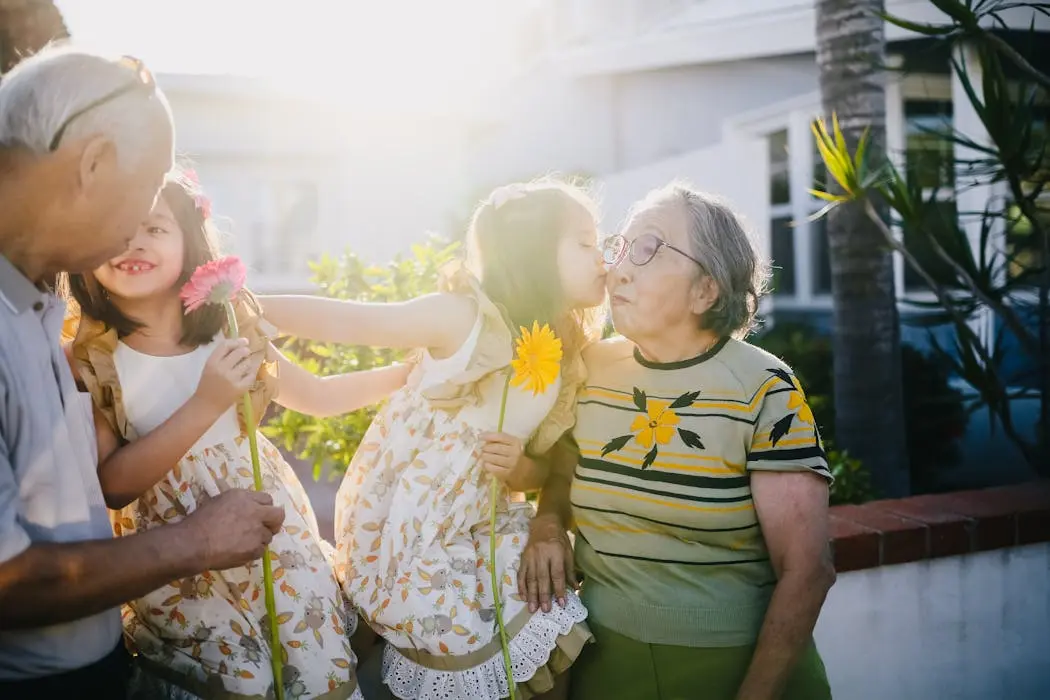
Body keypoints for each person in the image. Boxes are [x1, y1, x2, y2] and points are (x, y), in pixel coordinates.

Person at [61, 170, 412, 699]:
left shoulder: (229, 326)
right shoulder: (90, 359)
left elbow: (316, 396)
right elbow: (113, 485)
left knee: (313, 669)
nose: (133, 242)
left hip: (274, 536)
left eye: (154, 228)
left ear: (189, 242)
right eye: (115, 228)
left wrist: (404, 378)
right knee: (234, 681)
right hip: (180, 559)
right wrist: (208, 402)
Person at [0, 46, 284, 696]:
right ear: (93, 163)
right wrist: (192, 542)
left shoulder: (37, 301)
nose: (140, 225)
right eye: (149, 188)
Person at [258, 180, 606, 700]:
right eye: (584, 242)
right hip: (417, 531)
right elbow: (353, 320)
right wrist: (250, 306)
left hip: (481, 518)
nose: (601, 256)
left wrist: (521, 469)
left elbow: (544, 466)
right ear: (535, 252)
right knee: (479, 654)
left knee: (545, 631)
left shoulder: (560, 347)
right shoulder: (465, 317)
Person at [518, 182, 836, 700]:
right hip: (601, 664)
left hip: (739, 670)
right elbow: (561, 469)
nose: (618, 268)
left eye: (648, 249)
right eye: (622, 247)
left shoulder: (765, 388)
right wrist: (548, 524)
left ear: (705, 290)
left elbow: (807, 570)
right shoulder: (591, 368)